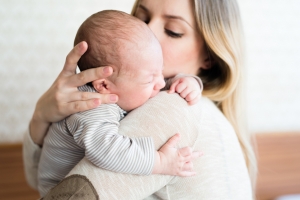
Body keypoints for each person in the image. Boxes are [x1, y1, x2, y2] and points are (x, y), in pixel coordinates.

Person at [23, 0, 257, 199]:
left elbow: (67, 192)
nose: (149, 34)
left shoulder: (173, 106)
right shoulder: (112, 102)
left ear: (209, 56)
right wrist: (42, 115)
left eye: (173, 30)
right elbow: (44, 182)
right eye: (141, 17)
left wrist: (158, 162)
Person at [37, 10, 203, 197]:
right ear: (104, 85)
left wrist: (187, 82)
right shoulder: (92, 107)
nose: (161, 83)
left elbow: (155, 83)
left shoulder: (128, 82)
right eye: (150, 79)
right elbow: (107, 150)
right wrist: (160, 161)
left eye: (161, 71)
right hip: (61, 190)